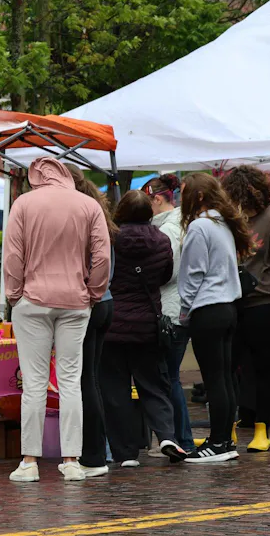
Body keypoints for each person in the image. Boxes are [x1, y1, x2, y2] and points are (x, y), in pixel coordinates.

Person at [3, 157, 110, 482]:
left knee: (34, 384)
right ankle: (72, 460)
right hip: (76, 302)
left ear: (36, 177)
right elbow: (102, 256)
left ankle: (29, 462)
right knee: (71, 381)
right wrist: (93, 292)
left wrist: (14, 294)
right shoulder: (88, 205)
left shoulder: (23, 204)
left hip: (32, 301)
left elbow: (12, 256)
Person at [99, 190, 187, 466]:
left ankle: (125, 453)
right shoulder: (161, 241)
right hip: (148, 325)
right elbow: (164, 276)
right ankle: (166, 435)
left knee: (115, 390)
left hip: (113, 325)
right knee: (154, 385)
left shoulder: (109, 240)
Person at [221, 167, 270, 453]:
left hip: (266, 305)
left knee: (265, 370)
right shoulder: (228, 220)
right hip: (232, 303)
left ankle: (262, 428)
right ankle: (226, 428)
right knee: (227, 368)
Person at [178, 173, 254, 463]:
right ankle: (223, 440)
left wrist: (185, 310)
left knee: (214, 380)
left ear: (197, 196)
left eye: (185, 192)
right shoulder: (223, 223)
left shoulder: (200, 226)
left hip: (207, 309)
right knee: (223, 378)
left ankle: (219, 442)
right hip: (228, 307)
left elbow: (193, 272)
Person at [66, 165, 117, 477]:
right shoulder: (96, 213)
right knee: (90, 379)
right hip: (104, 302)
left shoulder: (78, 218)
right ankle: (98, 452)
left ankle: (93, 455)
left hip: (88, 303)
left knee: (82, 380)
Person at [145, 174, 195, 454]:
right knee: (169, 377)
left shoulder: (170, 229)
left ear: (157, 198)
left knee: (169, 378)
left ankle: (181, 440)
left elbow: (169, 271)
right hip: (176, 310)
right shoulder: (176, 224)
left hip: (171, 312)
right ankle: (179, 438)